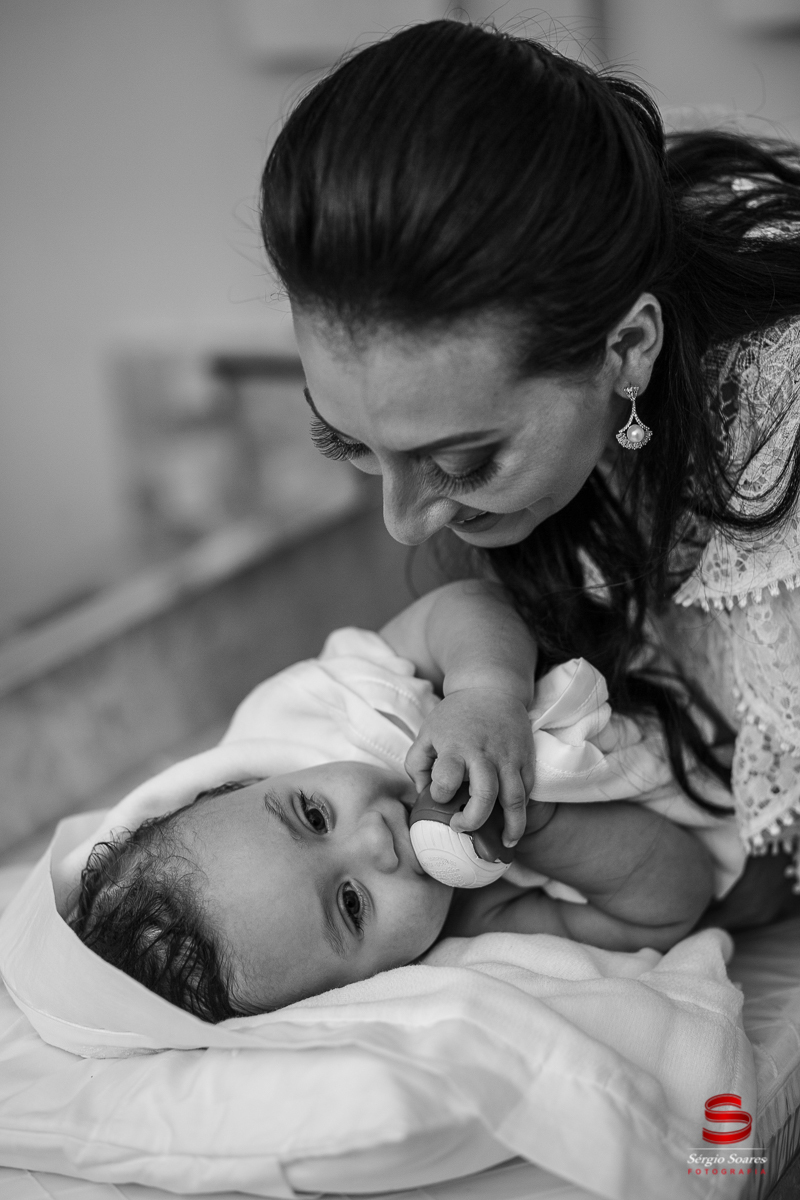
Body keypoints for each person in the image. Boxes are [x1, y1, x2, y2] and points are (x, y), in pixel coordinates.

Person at [259, 19, 800, 908]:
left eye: (463, 460)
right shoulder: (601, 229)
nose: (403, 523)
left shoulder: (779, 443)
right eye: (348, 442)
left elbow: (762, 866)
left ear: (628, 350)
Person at [68, 581, 730, 1021]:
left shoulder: (327, 710)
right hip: (729, 784)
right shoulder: (468, 919)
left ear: (250, 781)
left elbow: (461, 605)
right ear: (361, 987)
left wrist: (484, 690)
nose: (376, 840)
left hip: (662, 635)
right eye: (352, 905)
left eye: (313, 816)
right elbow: (674, 903)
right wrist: (537, 826)